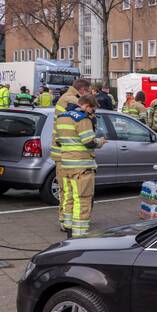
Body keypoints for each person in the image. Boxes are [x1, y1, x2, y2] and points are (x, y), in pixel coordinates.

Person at [53, 94, 106, 237]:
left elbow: (58, 141)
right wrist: (100, 141)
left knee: (69, 197)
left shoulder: (62, 117)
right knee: (82, 200)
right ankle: (80, 234)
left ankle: (68, 228)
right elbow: (89, 141)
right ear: (87, 105)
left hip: (66, 165)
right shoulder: (82, 119)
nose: (92, 113)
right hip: (81, 166)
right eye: (93, 109)